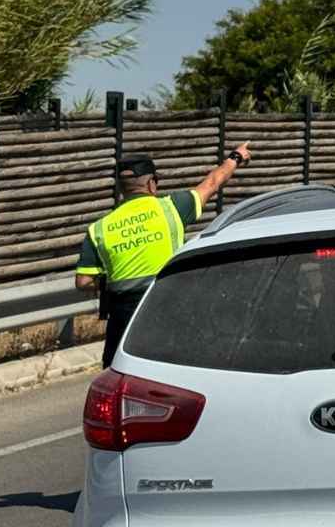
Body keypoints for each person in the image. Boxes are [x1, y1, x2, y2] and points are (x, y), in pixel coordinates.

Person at [75, 143, 252, 366]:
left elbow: (83, 281)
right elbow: (213, 182)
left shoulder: (99, 229)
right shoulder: (172, 208)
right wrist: (236, 157)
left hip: (124, 316)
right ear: (151, 184)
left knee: (119, 373)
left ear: (122, 188)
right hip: (167, 307)